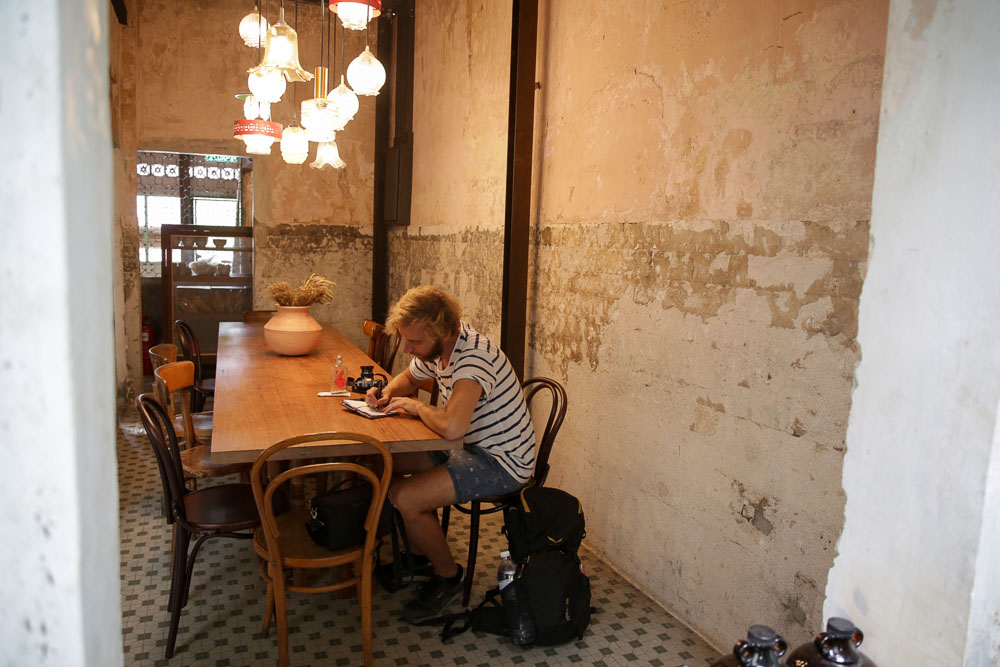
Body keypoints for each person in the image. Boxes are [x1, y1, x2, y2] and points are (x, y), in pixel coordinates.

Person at [366, 285, 535, 622]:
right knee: (384, 462)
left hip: (502, 460)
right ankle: (420, 553)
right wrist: (385, 392)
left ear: (443, 332)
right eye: (405, 340)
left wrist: (414, 407)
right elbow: (409, 376)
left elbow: (453, 427)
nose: (408, 349)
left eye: (414, 342)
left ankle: (448, 575)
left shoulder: (473, 358)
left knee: (406, 497)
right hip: (466, 447)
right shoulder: (442, 347)